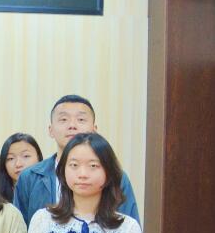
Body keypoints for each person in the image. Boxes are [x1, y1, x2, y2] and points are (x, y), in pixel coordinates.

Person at [13, 96, 139, 224]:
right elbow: (20, 230)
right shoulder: (29, 177)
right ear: (51, 130)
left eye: (81, 119)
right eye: (63, 119)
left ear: (94, 130)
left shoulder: (115, 176)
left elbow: (128, 227)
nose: (72, 125)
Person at [0, 134, 43, 205]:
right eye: (11, 158)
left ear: (38, 158)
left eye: (26, 156)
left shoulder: (52, 190)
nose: (18, 164)